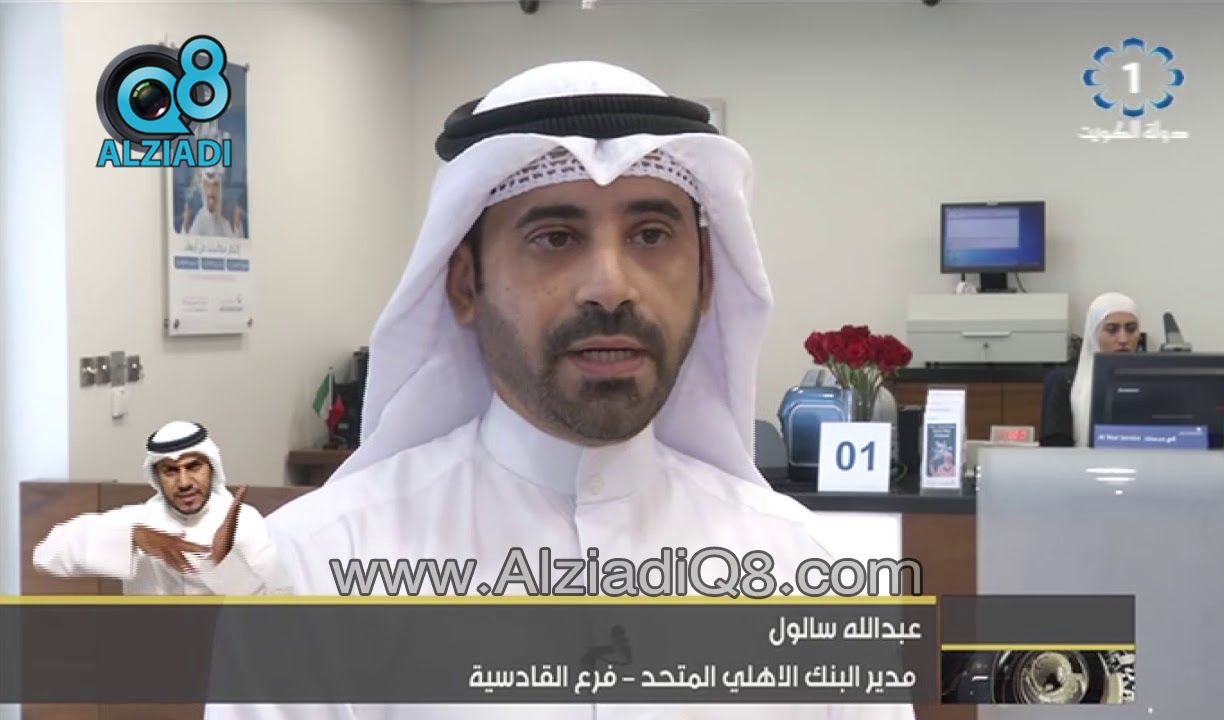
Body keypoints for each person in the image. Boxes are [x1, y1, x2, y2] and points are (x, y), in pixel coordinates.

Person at [204, 61, 915, 719]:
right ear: (464, 285)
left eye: (651, 235)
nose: (611, 286)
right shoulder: (310, 574)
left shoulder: (812, 574)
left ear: (706, 283)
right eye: (554, 237)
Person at [32, 420, 287, 595]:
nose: (184, 482)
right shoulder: (141, 519)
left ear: (212, 468)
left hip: (223, 652)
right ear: (156, 476)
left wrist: (224, 564)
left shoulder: (245, 523)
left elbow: (278, 609)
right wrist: (131, 537)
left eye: (193, 467)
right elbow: (45, 555)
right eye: (171, 471)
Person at [1040, 292, 1141, 447]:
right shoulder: (1065, 381)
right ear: (1093, 333)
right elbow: (1055, 449)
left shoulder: (1153, 380)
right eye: (1112, 330)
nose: (1123, 339)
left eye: (1131, 329)